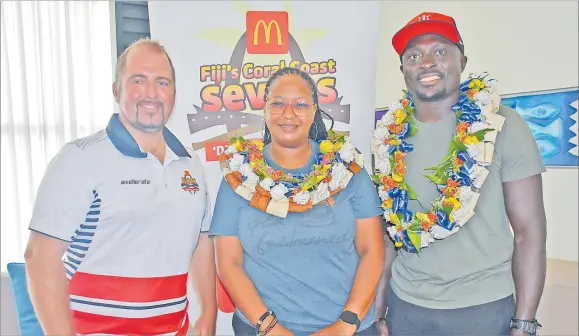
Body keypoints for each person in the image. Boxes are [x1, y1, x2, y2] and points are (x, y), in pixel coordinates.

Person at [23, 38, 217, 336]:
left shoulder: (190, 165)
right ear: (117, 90)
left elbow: (201, 243)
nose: (152, 93)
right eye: (138, 80)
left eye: (162, 82)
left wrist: (207, 316)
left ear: (174, 93)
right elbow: (40, 257)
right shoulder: (80, 159)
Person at [371, 12, 548, 336]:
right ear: (403, 71)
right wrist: (379, 310)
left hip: (484, 309)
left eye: (439, 51)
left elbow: (529, 234)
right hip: (406, 306)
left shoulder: (503, 126)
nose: (426, 62)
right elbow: (388, 237)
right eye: (413, 55)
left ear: (462, 60)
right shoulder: (387, 139)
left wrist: (525, 323)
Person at [209, 67, 385, 336]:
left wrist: (346, 324)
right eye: (278, 103)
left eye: (300, 104)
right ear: (264, 109)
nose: (288, 113)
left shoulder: (347, 169)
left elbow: (372, 251)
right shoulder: (238, 174)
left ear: (314, 110)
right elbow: (228, 263)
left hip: (349, 329)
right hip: (261, 329)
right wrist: (271, 329)